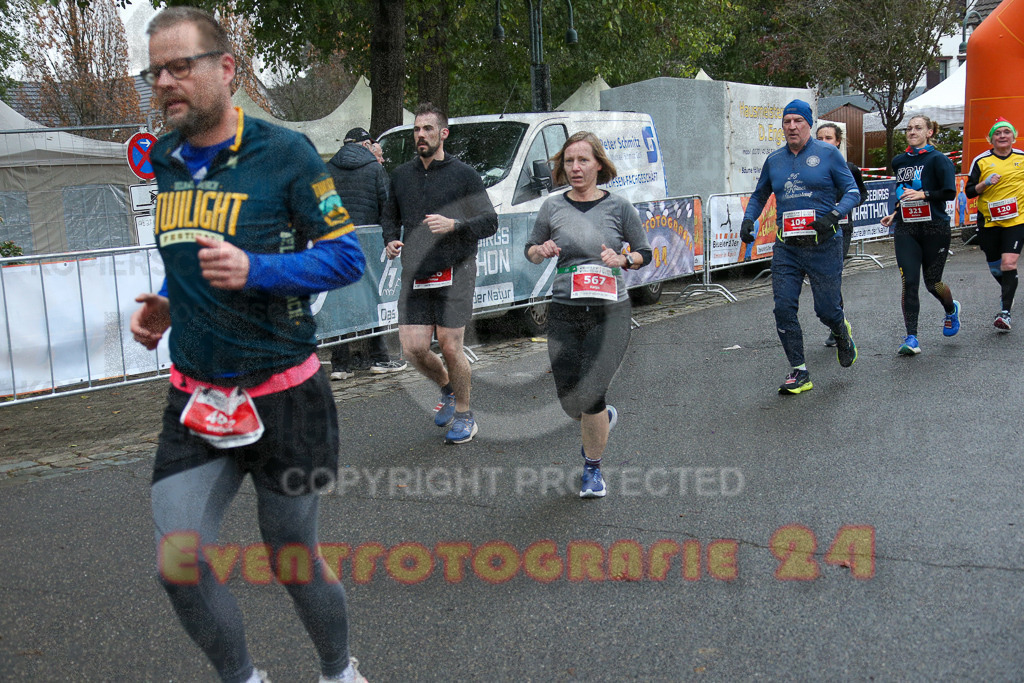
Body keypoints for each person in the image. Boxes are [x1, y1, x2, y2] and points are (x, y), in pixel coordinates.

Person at [130, 8, 367, 682]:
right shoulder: (168, 162)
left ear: (226, 69)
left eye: (182, 66)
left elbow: (346, 257)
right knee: (177, 562)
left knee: (291, 554)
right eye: (157, 71)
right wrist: (169, 306)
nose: (167, 82)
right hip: (197, 395)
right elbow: (193, 255)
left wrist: (256, 270)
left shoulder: (284, 153)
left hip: (284, 394)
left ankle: (336, 669)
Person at [525, 131, 651, 498]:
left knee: (592, 390)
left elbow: (644, 251)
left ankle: (592, 470)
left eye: (583, 160)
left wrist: (623, 259)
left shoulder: (619, 207)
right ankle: (600, 421)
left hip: (610, 311)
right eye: (568, 161)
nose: (575, 167)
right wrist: (541, 250)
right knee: (570, 401)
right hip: (564, 308)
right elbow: (530, 250)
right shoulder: (552, 207)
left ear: (599, 164)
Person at [381, 102, 498, 443]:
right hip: (416, 272)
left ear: (443, 134)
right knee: (414, 349)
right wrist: (390, 239)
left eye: (428, 129)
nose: (420, 135)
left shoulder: (464, 175)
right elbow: (389, 215)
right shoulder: (401, 176)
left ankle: (464, 414)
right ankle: (447, 388)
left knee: (449, 345)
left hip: (455, 270)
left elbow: (490, 221)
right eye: (417, 129)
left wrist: (455, 224)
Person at [740, 99, 861, 395]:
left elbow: (853, 191)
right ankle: (800, 371)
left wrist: (833, 214)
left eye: (798, 121)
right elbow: (759, 195)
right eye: (787, 121)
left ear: (809, 124)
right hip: (787, 247)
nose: (792, 126)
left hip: (823, 245)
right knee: (783, 307)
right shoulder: (775, 160)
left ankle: (841, 331)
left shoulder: (828, 154)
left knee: (827, 310)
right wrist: (748, 219)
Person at [327, 127, 408, 378]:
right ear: (365, 145)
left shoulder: (327, 169)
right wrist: (390, 238)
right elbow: (388, 207)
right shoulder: (374, 169)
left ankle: (340, 365)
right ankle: (379, 359)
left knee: (339, 302)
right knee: (374, 299)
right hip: (369, 247)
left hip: (336, 246)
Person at [880, 114, 959, 355]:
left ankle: (950, 309)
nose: (912, 132)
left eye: (918, 128)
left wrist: (924, 195)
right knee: (909, 282)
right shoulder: (899, 161)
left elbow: (949, 192)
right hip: (907, 228)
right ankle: (911, 337)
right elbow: (903, 192)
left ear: (929, 132)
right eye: (909, 128)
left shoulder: (939, 160)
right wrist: (895, 213)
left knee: (932, 283)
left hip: (935, 227)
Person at [966, 117, 1024, 332]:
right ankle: (1009, 290)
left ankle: (1005, 312)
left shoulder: (1021, 158)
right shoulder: (981, 161)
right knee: (995, 267)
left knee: (1009, 263)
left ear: (1013, 136)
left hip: (1017, 220)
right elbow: (970, 191)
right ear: (990, 138)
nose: (1002, 136)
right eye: (997, 133)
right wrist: (985, 183)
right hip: (989, 222)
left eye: (1006, 132)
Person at [815, 123, 867, 347]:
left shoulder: (850, 168)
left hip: (842, 229)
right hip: (818, 228)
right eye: (820, 138)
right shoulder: (811, 168)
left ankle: (837, 327)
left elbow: (861, 194)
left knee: (832, 276)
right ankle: (836, 322)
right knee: (821, 278)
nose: (824, 142)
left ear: (838, 142)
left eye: (829, 138)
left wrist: (842, 206)